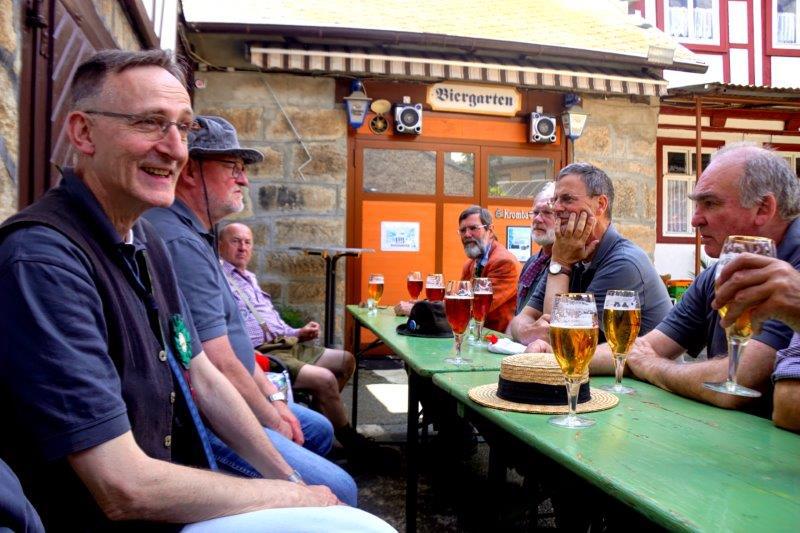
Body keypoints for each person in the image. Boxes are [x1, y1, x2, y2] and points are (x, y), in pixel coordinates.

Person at [0, 50, 392, 531]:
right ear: (83, 133)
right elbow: (122, 487)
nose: (174, 149)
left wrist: (287, 477)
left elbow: (201, 370)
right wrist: (289, 495)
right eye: (150, 122)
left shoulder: (144, 238)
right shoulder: (43, 259)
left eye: (183, 128)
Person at [144, 116, 357, 504]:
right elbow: (218, 365)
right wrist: (272, 418)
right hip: (208, 420)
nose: (244, 179)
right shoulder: (180, 242)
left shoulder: (195, 233)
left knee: (319, 429)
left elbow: (237, 345)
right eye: (233, 167)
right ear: (190, 171)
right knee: (343, 488)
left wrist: (273, 399)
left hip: (239, 388)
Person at [588, 144, 800, 411]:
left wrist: (652, 366)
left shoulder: (792, 274)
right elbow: (644, 348)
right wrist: (554, 358)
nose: (695, 220)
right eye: (696, 205)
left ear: (763, 208)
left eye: (710, 203)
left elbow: (736, 381)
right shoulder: (718, 274)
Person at [218, 222, 389, 462]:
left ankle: (324, 423)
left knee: (346, 360)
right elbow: (231, 330)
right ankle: (353, 444)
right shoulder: (219, 278)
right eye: (236, 241)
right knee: (325, 379)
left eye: (247, 242)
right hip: (264, 353)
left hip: (286, 343)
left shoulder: (249, 277)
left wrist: (299, 332)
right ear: (220, 245)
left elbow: (271, 322)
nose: (243, 247)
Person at [510, 163, 671, 345]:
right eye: (555, 200)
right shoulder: (569, 251)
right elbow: (519, 319)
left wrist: (560, 263)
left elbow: (562, 340)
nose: (557, 208)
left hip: (630, 365)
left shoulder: (624, 262)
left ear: (600, 205)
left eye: (567, 199)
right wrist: (528, 332)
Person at [713, 254, 800, 431]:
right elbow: (789, 403)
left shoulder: (788, 273)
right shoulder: (715, 275)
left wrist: (655, 365)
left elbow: (790, 403)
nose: (696, 224)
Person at [515, 182, 556, 315]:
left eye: (547, 212)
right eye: (536, 212)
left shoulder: (570, 265)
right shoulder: (532, 262)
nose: (537, 219)